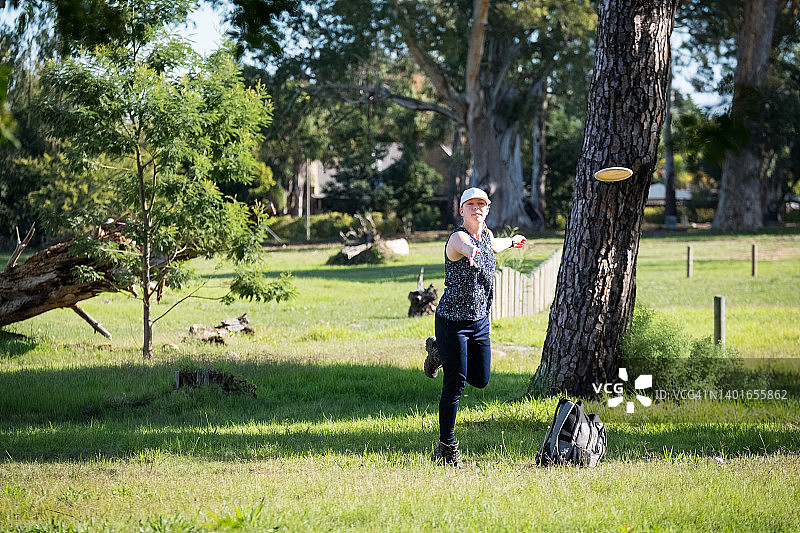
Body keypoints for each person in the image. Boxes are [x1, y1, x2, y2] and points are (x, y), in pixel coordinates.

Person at [424, 187, 526, 467]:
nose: (476, 208)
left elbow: (494, 244)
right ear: (461, 210)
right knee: (454, 384)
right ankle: (447, 447)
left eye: (481, 204)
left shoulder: (489, 235)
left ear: (487, 209)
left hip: (480, 320)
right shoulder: (458, 238)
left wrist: (513, 240)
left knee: (480, 379)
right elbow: (468, 247)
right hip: (452, 322)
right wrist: (471, 252)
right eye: (471, 204)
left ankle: (439, 354)